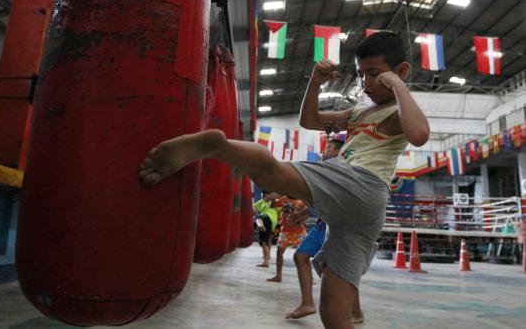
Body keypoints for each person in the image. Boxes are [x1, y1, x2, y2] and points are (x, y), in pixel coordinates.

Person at [139, 32, 430, 329]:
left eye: (374, 75)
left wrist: (396, 84)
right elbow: (310, 121)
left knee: (275, 173)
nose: (366, 84)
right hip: (354, 215)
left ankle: (216, 147)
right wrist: (315, 83)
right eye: (361, 75)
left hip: (361, 183)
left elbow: (419, 135)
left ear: (401, 70)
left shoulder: (398, 111)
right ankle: (215, 146)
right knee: (333, 309)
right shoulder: (358, 112)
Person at [285, 137, 363, 324]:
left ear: (338, 151)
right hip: (323, 224)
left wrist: (300, 214)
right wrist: (301, 216)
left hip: (337, 225)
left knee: (341, 270)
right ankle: (308, 303)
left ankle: (356, 311)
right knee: (302, 257)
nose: (324, 150)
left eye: (328, 147)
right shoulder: (329, 167)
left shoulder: (340, 168)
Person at [266, 195, 307, 283]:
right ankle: (278, 276)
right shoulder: (283, 199)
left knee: (304, 254)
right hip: (285, 230)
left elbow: (306, 215)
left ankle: (308, 277)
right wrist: (273, 198)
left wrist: (299, 221)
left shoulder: (302, 201)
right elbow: (272, 206)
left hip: (299, 231)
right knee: (279, 251)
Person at [253, 190, 280, 268]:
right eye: (263, 195)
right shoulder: (262, 202)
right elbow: (252, 207)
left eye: (264, 195)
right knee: (266, 241)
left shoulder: (274, 201)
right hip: (272, 222)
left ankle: (260, 225)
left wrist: (272, 198)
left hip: (268, 219)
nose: (263, 197)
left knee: (258, 218)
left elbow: (276, 201)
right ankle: (266, 261)